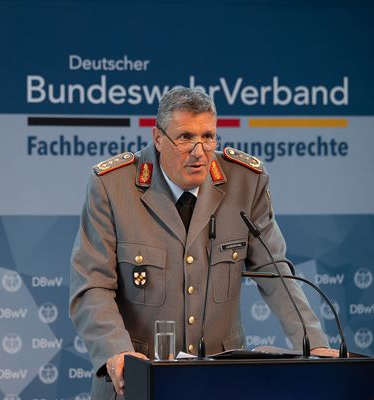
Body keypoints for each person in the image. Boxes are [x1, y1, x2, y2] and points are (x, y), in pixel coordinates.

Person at [69, 87, 337, 399]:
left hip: (221, 382)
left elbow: (274, 270)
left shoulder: (246, 181)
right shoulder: (112, 185)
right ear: (158, 138)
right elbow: (92, 285)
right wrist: (117, 353)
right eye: (185, 137)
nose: (199, 150)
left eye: (208, 137)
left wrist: (313, 342)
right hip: (137, 381)